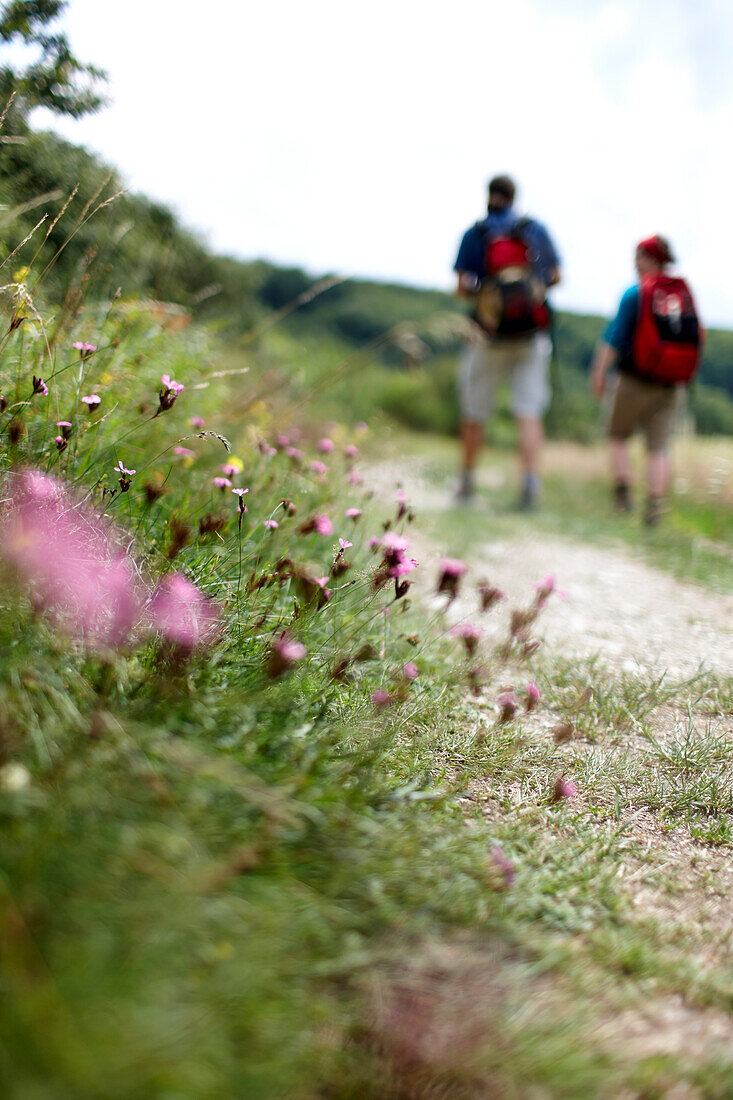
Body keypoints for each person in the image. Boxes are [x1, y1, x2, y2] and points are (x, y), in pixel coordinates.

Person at [453, 174, 562, 508]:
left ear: (489, 195)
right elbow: (556, 275)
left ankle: (467, 483)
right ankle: (530, 485)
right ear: (514, 198)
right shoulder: (535, 229)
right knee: (528, 411)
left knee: (475, 409)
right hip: (531, 337)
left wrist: (488, 298)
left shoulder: (476, 233)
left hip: (488, 335)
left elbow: (460, 287)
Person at [590, 235, 702, 527]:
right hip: (672, 385)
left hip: (633, 380)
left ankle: (623, 496)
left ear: (648, 259)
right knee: (658, 448)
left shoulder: (636, 292)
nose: (634, 262)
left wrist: (600, 373)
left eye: (638, 256)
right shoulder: (681, 294)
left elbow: (613, 338)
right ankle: (653, 509)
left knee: (617, 435)